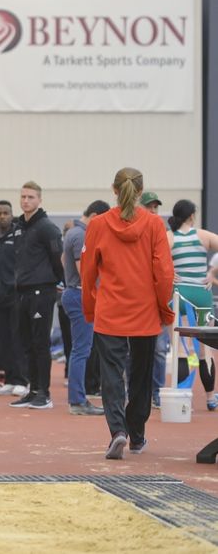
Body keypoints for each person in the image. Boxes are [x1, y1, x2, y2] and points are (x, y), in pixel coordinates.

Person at [81, 167, 174, 459]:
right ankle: (137, 435)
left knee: (111, 375)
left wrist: (90, 306)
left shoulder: (97, 224)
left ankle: (118, 431)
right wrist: (164, 308)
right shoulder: (154, 224)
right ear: (142, 190)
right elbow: (164, 272)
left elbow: (87, 272)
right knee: (141, 377)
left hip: (110, 310)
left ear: (114, 189)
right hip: (145, 311)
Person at [9, 182, 64, 410]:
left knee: (40, 342)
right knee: (27, 343)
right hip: (23, 291)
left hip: (42, 290)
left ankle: (45, 393)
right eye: (23, 197)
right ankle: (33, 391)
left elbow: (57, 257)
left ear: (39, 200)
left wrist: (59, 281)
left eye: (30, 197)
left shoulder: (47, 227)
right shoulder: (19, 226)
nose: (25, 201)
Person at [167, 199, 218, 411]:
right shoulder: (203, 236)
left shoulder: (169, 237)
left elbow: (152, 260)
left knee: (179, 346)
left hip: (179, 293)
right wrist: (212, 273)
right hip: (201, 293)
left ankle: (180, 398)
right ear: (191, 216)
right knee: (206, 350)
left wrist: (170, 273)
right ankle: (210, 398)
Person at [61, 200, 111, 416]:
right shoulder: (82, 235)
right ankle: (77, 400)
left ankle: (77, 398)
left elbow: (64, 259)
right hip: (80, 293)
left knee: (80, 349)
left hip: (74, 291)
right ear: (95, 216)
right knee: (82, 350)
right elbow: (85, 272)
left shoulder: (73, 233)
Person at [0, 200, 28, 397]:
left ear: (11, 214)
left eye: (5, 213)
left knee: (17, 338)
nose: (2, 216)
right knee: (2, 340)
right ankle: (8, 379)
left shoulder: (19, 236)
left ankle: (21, 380)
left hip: (15, 296)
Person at [141, 192, 168, 408]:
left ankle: (157, 391)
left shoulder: (161, 230)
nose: (153, 211)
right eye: (149, 207)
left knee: (159, 349)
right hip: (137, 298)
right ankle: (134, 392)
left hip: (157, 298)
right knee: (132, 350)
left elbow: (165, 264)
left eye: (156, 208)